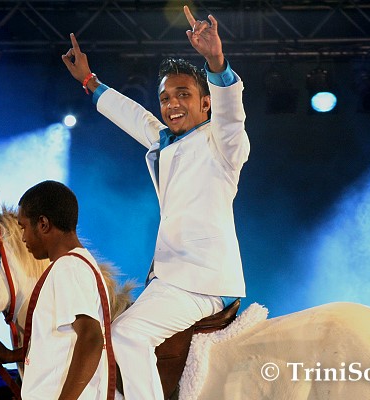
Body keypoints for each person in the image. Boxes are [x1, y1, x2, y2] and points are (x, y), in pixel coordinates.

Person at [62, 5, 249, 400]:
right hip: (168, 278)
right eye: (165, 97)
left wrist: (216, 61)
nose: (172, 103)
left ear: (207, 103)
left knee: (126, 336)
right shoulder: (167, 142)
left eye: (183, 94)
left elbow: (232, 115)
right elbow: (134, 116)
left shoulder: (223, 142)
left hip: (201, 281)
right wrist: (90, 81)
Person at [0, 180, 110, 400]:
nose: (22, 237)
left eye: (23, 227)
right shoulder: (71, 265)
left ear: (43, 224)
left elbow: (91, 338)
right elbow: (61, 344)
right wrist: (11, 355)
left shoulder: (69, 268)